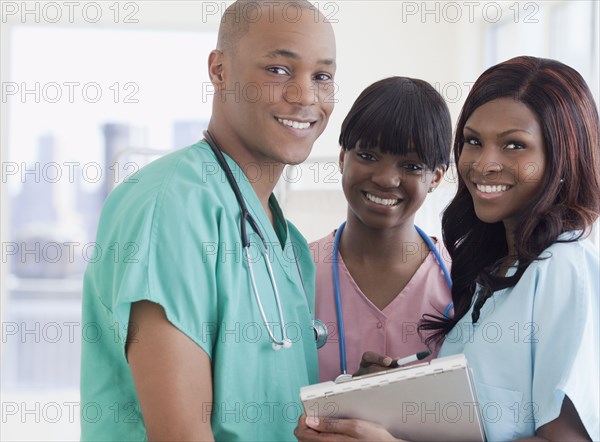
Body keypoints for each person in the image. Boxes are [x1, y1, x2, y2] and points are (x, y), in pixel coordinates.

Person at [296, 56, 599, 441]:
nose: (485, 163)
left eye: (514, 145)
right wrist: (392, 397)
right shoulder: (492, 277)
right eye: (473, 141)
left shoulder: (565, 265)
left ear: (561, 156)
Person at [80, 1, 336, 440]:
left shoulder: (287, 242)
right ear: (219, 69)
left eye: (322, 76)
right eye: (278, 70)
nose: (305, 96)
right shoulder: (171, 207)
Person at [310, 76, 453, 383]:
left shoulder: (463, 282)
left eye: (412, 166)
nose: (387, 179)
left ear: (437, 178)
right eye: (368, 156)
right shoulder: (295, 273)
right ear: (342, 157)